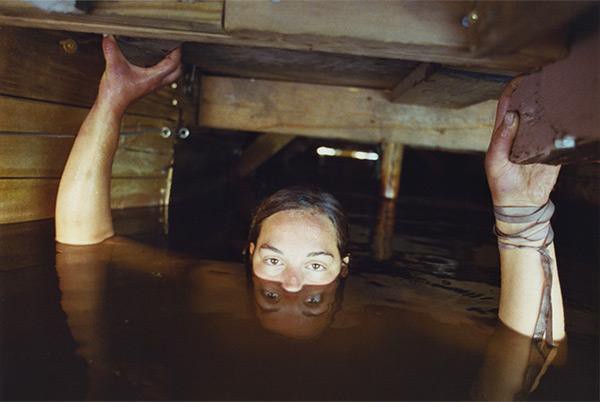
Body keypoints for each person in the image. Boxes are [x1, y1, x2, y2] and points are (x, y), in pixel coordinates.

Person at [55, 35, 565, 346]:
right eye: (273, 259)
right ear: (249, 251)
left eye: (317, 264)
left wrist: (521, 210)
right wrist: (111, 101)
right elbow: (86, 248)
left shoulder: (381, 312)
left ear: (345, 265)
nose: (293, 285)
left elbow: (529, 347)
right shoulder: (212, 285)